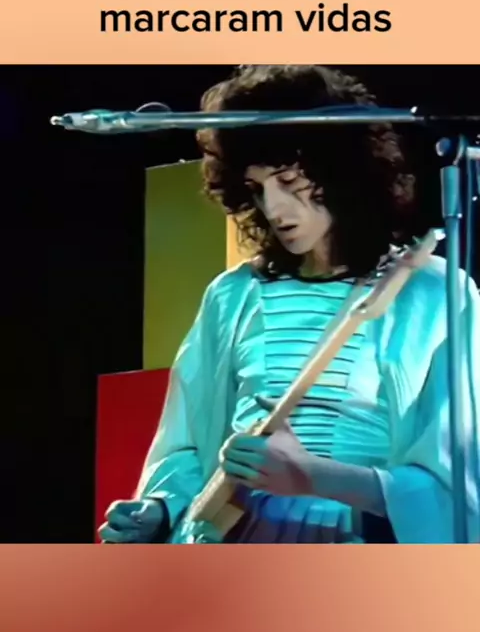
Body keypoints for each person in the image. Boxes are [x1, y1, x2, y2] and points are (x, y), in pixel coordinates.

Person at [98, 65, 480, 544]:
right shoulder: (233, 293)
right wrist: (157, 508)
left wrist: (311, 476)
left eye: (288, 180)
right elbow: (186, 443)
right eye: (257, 188)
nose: (274, 208)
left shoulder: (433, 293)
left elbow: (457, 485)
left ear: (344, 171)